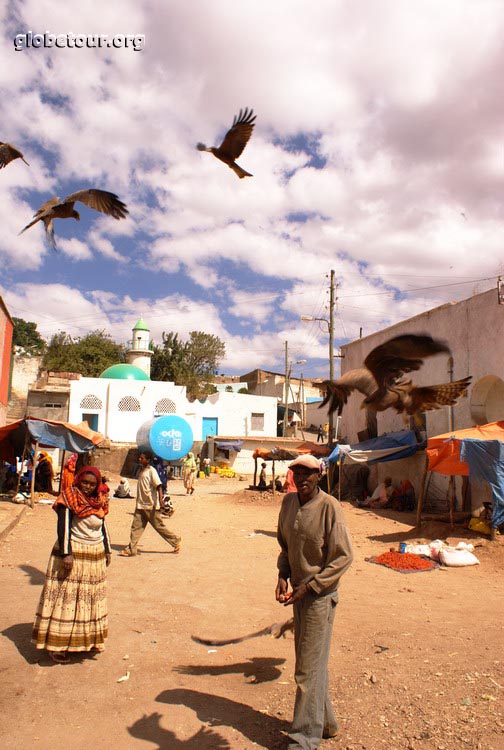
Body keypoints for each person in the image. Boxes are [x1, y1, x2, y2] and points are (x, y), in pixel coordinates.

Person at [276, 454, 353, 750]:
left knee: (306, 670)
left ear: (319, 476)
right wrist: (283, 575)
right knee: (312, 665)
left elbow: (343, 556)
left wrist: (312, 586)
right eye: (297, 472)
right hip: (297, 592)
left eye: (308, 473)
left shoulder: (330, 507)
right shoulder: (288, 504)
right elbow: (285, 544)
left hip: (320, 597)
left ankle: (303, 739)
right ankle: (327, 724)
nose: (302, 478)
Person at [32, 466, 111, 663]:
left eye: (92, 484)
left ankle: (86, 640)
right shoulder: (69, 497)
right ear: (78, 480)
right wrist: (66, 554)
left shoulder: (100, 500)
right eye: (84, 482)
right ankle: (58, 645)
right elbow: (63, 527)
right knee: (66, 598)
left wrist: (107, 549)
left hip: (94, 556)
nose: (87, 487)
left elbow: (103, 527)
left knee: (88, 600)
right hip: (74, 554)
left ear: (97, 485)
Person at [120, 451, 181, 557]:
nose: (140, 459)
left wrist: (161, 500)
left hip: (150, 505)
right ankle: (132, 549)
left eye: (142, 458)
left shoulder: (152, 471)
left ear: (148, 460)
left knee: (159, 526)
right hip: (140, 505)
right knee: (136, 527)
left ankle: (175, 541)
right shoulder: (141, 470)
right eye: (140, 457)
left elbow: (159, 485)